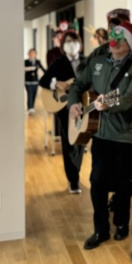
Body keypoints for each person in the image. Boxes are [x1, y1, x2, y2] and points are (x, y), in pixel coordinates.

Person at [68, 21, 132, 249]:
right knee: (97, 182)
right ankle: (101, 230)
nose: (114, 43)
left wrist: (108, 103)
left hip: (126, 136)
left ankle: (121, 224)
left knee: (123, 185)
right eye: (113, 39)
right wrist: (74, 103)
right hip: (101, 134)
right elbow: (78, 85)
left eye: (120, 40)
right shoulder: (97, 62)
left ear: (130, 45)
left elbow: (131, 98)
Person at [39, 30, 85, 194]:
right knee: (69, 143)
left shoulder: (87, 61)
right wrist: (57, 83)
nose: (71, 44)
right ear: (63, 45)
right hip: (64, 109)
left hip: (83, 107)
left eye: (74, 41)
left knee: (81, 142)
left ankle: (76, 173)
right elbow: (43, 80)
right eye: (68, 41)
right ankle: (73, 180)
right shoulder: (58, 62)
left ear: (79, 43)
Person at [24, 48, 45, 114]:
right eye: (30, 53)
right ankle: (30, 108)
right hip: (27, 81)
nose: (32, 54)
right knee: (29, 94)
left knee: (34, 94)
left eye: (33, 53)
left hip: (35, 81)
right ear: (28, 54)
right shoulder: (25, 61)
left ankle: (32, 107)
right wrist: (30, 68)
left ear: (35, 54)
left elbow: (43, 69)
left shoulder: (38, 62)